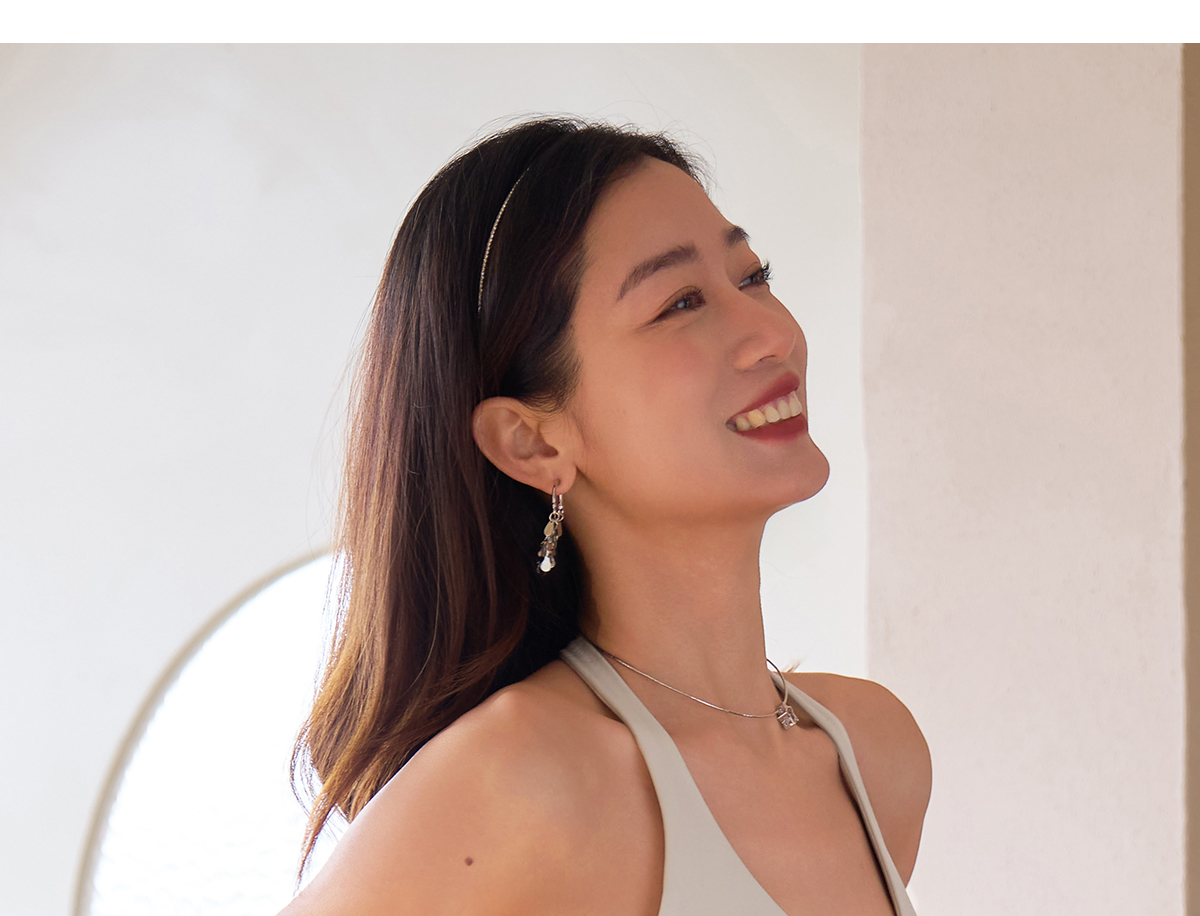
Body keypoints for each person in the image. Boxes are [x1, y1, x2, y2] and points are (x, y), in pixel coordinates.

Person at [281, 116, 931, 916]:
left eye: (753, 277)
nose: (773, 335)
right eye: (682, 302)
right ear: (532, 442)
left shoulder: (873, 757)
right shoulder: (517, 783)